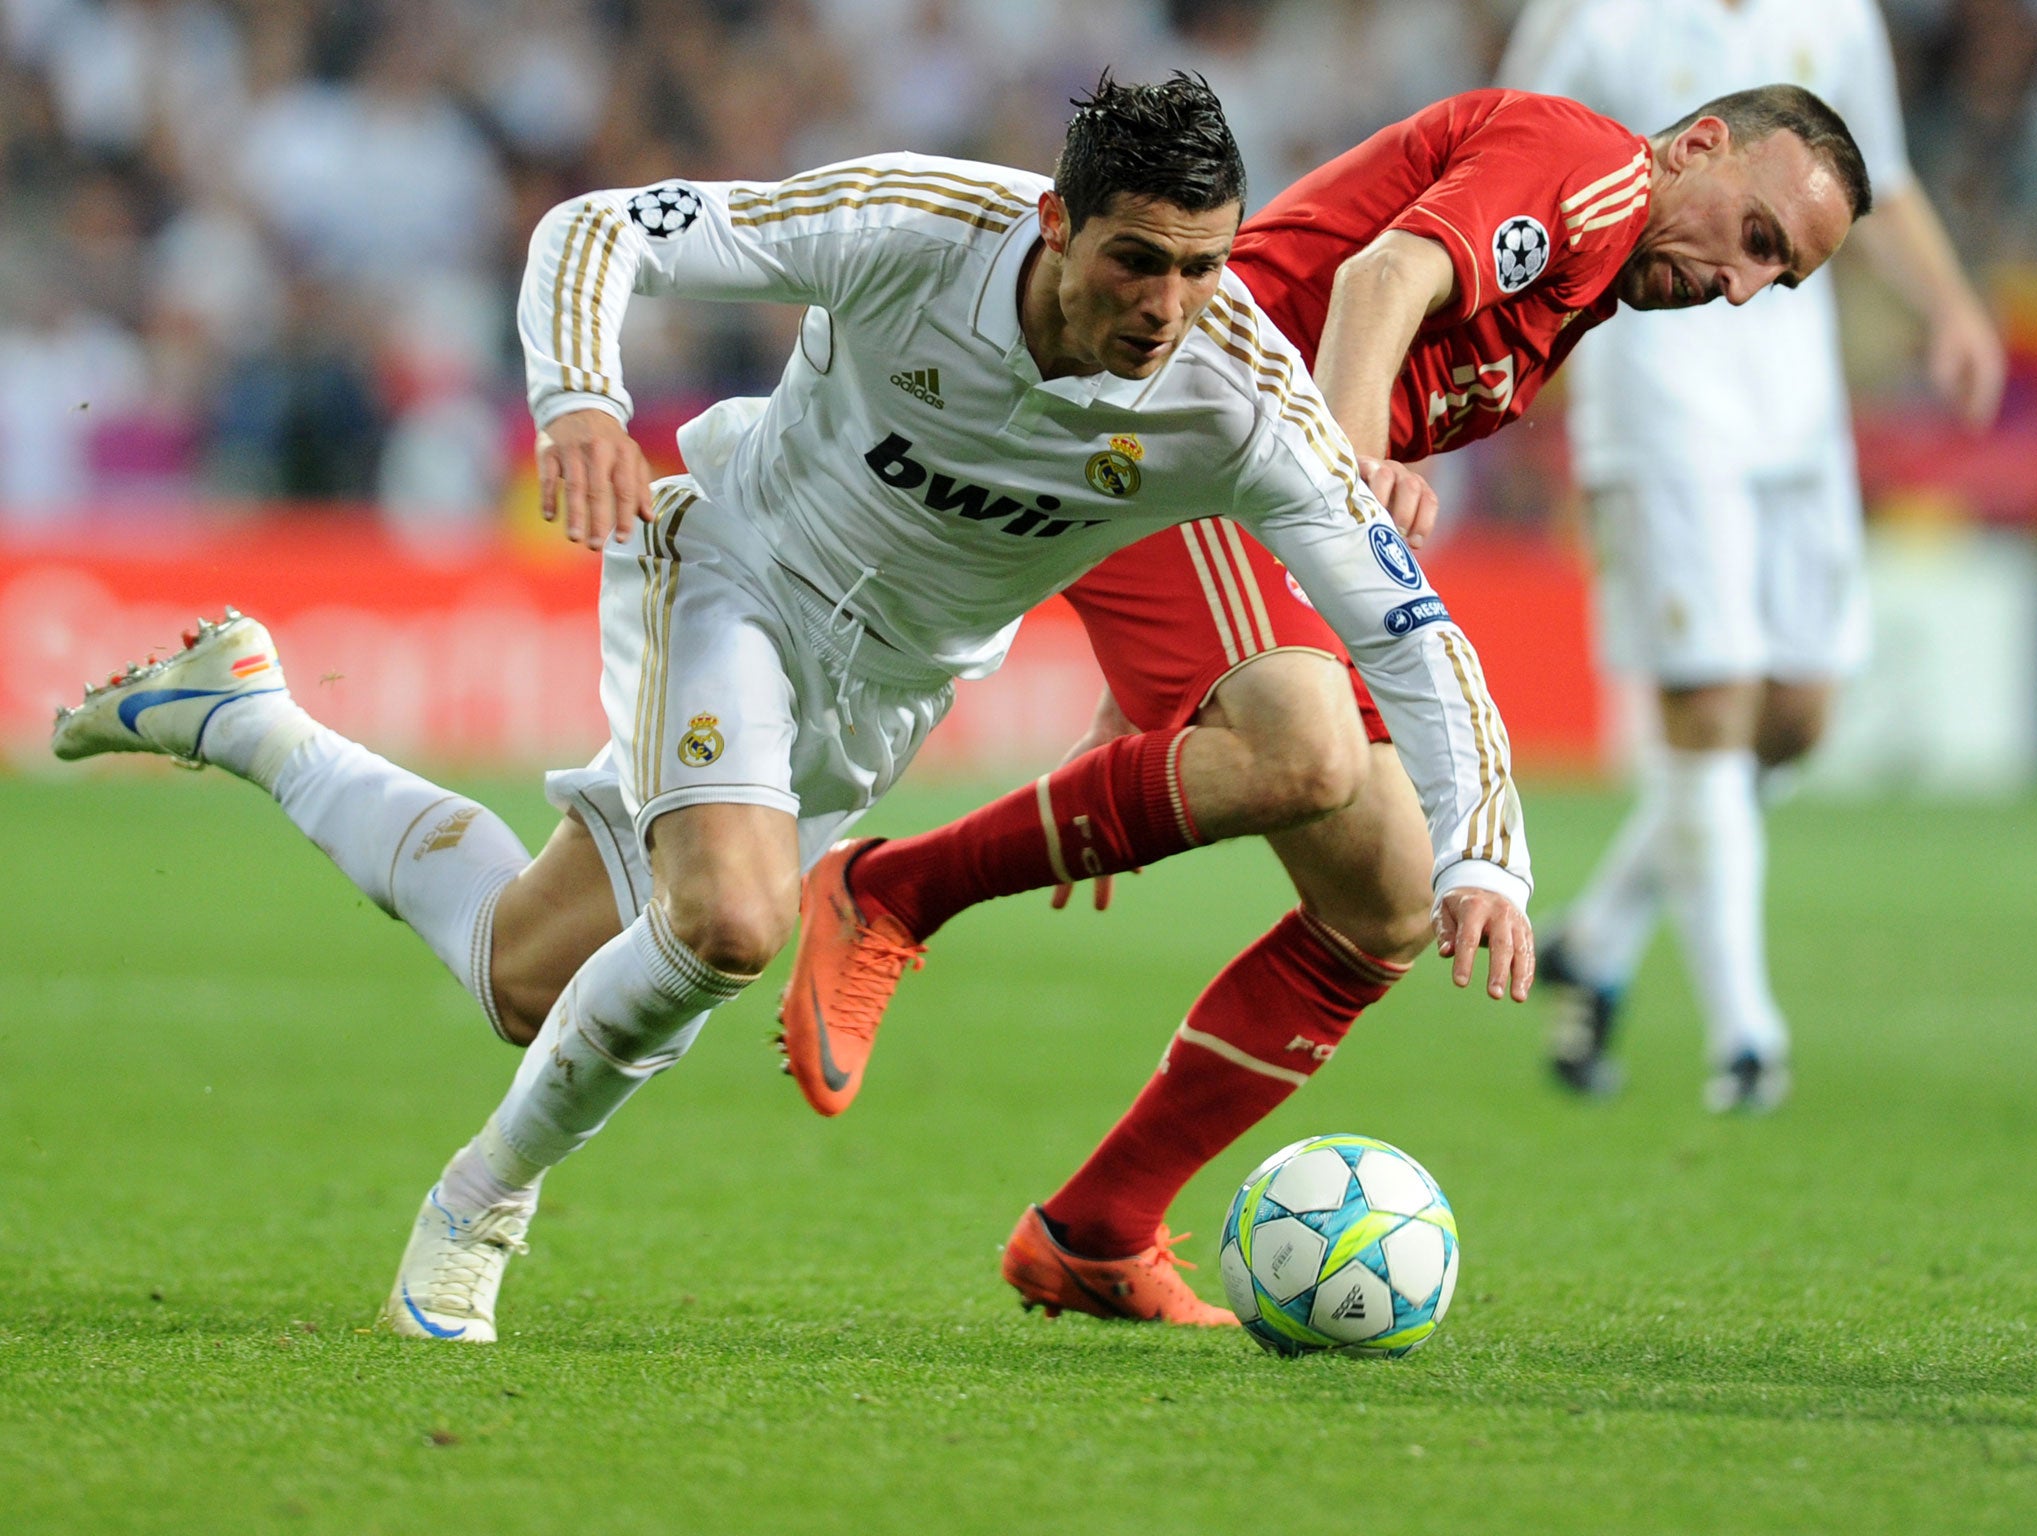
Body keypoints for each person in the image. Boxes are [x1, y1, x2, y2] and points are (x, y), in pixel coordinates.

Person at [51, 74, 1534, 1343]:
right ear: (1057, 225)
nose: (1169, 307)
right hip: (737, 577)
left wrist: (1483, 853)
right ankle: (476, 1212)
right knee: (737, 924)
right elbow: (597, 228)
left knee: (523, 976)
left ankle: (246, 717)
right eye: (1138, 260)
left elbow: (1407, 634)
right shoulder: (916, 227)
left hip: (884, 698)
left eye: (1205, 268)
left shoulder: (1238, 398)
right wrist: (577, 397)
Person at [778, 82, 1870, 1317]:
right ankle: (887, 892)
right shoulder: (1589, 170)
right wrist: (1344, 477)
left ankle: (1096, 1228)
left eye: (1773, 282)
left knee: (1389, 900)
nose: (1739, 287)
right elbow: (1381, 279)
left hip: (1226, 486)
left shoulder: (1591, 276)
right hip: (1197, 436)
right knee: (1302, 752)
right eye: (1757, 238)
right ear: (1699, 145)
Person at [1500, 1, 2005, 1111]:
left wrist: (1951, 309)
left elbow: (1885, 180)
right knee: (1710, 702)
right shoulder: (1594, 16)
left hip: (1792, 406)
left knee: (1794, 720)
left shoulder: (1832, 14)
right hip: (1657, 391)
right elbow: (1515, 154)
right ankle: (1744, 1036)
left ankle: (1599, 932)